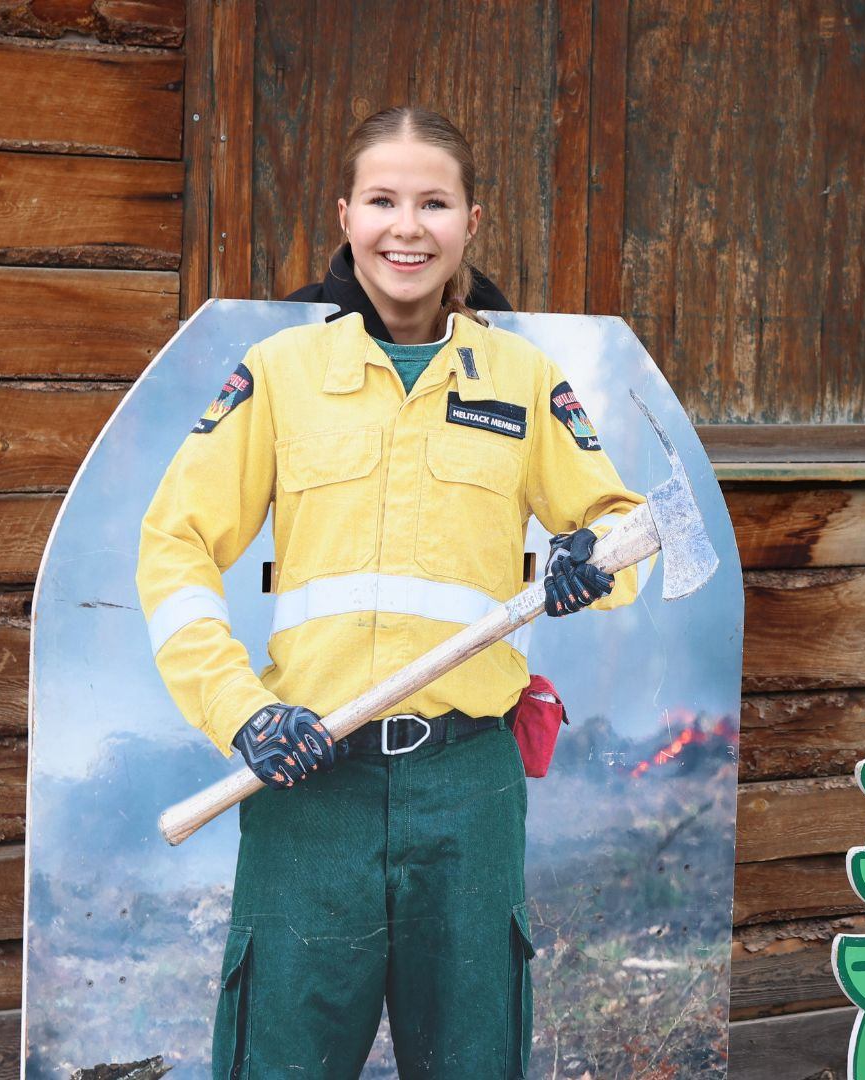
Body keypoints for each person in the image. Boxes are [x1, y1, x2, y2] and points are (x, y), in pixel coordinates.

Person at [136, 105, 641, 1079]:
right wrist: (242, 713)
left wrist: (595, 555)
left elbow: (627, 527)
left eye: (433, 203)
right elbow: (175, 547)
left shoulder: (524, 380)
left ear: (470, 222)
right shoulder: (280, 375)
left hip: (468, 788)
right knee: (280, 1060)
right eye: (382, 200)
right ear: (346, 215)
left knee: (471, 1058)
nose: (406, 227)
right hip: (307, 780)